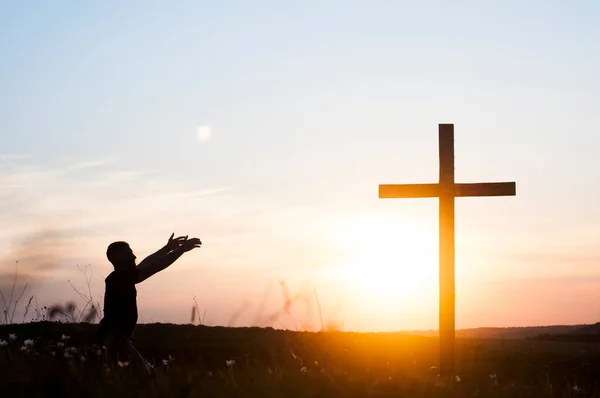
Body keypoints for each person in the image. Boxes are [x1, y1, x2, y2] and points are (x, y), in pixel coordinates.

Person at [98, 233, 202, 364]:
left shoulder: (121, 276)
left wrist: (167, 249)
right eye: (129, 254)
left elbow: (146, 264)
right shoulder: (119, 278)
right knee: (141, 375)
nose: (134, 256)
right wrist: (181, 250)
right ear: (119, 258)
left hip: (115, 339)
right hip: (115, 340)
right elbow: (154, 267)